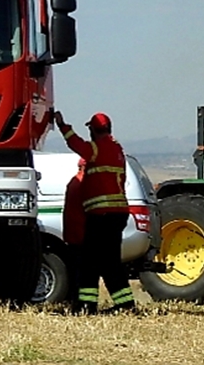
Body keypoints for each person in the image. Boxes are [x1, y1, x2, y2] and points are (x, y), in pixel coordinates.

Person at [52, 110, 135, 315]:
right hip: (117, 214)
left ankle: (86, 306)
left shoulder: (97, 150)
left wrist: (63, 126)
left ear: (93, 130)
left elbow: (76, 145)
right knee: (110, 262)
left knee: (90, 263)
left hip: (102, 216)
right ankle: (124, 305)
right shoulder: (117, 150)